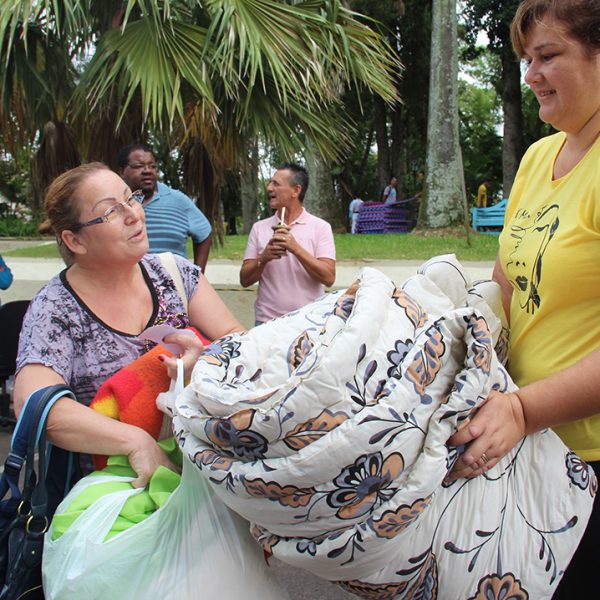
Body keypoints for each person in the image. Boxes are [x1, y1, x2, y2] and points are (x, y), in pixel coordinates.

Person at [448, 1, 600, 597]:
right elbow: (506, 282)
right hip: (527, 444)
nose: (531, 74)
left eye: (549, 55)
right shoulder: (539, 157)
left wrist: (525, 409)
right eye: (526, 59)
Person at [13, 163, 244, 488]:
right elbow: (35, 405)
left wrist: (202, 360)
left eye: (131, 198)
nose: (134, 214)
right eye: (110, 211)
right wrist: (134, 441)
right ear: (75, 240)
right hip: (109, 497)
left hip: (200, 476)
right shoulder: (55, 309)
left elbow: (241, 345)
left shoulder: (174, 275)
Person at [239, 163, 336, 325]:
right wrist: (264, 258)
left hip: (309, 322)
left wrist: (295, 248)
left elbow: (329, 277)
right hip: (267, 322)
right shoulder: (259, 228)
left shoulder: (320, 227)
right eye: (270, 183)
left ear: (296, 190)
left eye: (276, 184)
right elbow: (244, 280)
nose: (269, 188)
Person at [117, 144, 212, 274]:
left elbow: (204, 234)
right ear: (122, 171)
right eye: (138, 166)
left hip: (173, 289)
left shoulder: (179, 200)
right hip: (126, 286)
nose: (147, 170)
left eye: (152, 166)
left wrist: (198, 275)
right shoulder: (114, 204)